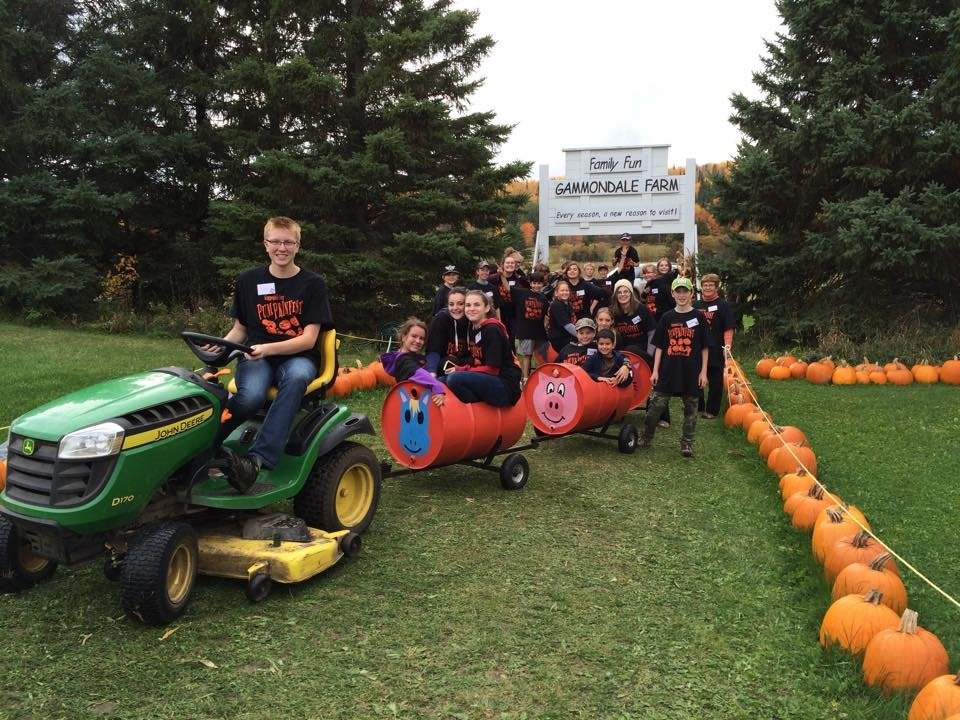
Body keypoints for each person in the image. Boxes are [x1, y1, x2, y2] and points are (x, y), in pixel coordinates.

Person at [212, 216, 333, 492]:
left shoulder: (313, 284)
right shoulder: (248, 280)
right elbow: (240, 329)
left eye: (288, 242)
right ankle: (206, 447)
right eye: (275, 241)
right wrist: (221, 346)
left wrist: (267, 348)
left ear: (298, 245)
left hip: (296, 354)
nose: (282, 247)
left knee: (297, 377)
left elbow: (308, 339)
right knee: (251, 396)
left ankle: (257, 460)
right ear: (265, 245)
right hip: (257, 356)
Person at [640, 276, 711, 458]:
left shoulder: (699, 317)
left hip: (691, 370)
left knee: (691, 409)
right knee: (656, 406)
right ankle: (646, 437)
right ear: (672, 293)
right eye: (678, 291)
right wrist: (655, 370)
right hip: (668, 370)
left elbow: (704, 347)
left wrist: (703, 372)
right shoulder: (667, 317)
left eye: (685, 291)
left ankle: (687, 443)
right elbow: (660, 347)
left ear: (691, 294)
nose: (681, 295)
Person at [441, 290, 522, 406]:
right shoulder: (474, 329)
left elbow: (492, 370)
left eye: (477, 305)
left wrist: (461, 369)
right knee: (440, 381)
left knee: (454, 379)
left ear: (487, 308)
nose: (471, 308)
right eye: (468, 305)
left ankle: (479, 412)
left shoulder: (492, 330)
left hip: (505, 386)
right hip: (487, 380)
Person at [694, 273, 735, 419]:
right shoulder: (697, 305)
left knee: (715, 380)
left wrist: (728, 346)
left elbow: (728, 328)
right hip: (697, 348)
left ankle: (711, 410)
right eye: (705, 285)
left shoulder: (722, 305)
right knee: (695, 377)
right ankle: (697, 406)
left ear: (716, 287)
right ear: (701, 287)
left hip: (716, 348)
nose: (708, 287)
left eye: (711, 285)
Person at [379, 317, 446, 405]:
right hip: (412, 402)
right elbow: (419, 373)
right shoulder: (403, 360)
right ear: (404, 337)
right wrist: (437, 387)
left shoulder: (416, 357)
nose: (418, 341)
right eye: (414, 336)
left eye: (421, 338)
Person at [509, 271, 550, 383]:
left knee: (542, 354)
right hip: (526, 330)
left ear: (543, 284)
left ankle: (544, 375)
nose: (537, 286)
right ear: (530, 283)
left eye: (539, 283)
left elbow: (547, 314)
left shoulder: (543, 298)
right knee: (527, 355)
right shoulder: (522, 293)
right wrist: (503, 275)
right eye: (534, 283)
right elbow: (507, 288)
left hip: (539, 331)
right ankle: (526, 378)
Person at [425, 287, 471, 376]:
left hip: (467, 364)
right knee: (450, 362)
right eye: (451, 304)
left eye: (460, 304)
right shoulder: (441, 319)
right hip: (445, 364)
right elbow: (433, 350)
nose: (455, 308)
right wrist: (432, 372)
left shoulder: (473, 321)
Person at [609, 279, 656, 358]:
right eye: (619, 292)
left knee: (631, 349)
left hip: (642, 351)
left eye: (626, 291)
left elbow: (652, 333)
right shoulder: (612, 312)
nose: (622, 294)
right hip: (621, 353)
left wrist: (649, 355)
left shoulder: (641, 309)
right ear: (615, 295)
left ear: (631, 294)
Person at [491, 254, 529, 343]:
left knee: (511, 338)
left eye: (512, 263)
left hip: (514, 314)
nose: (510, 265)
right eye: (507, 263)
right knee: (499, 337)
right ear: (502, 265)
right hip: (499, 313)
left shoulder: (520, 279)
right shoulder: (494, 279)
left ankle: (512, 356)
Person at [547, 280, 578, 352]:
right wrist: (581, 335)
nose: (565, 292)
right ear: (556, 293)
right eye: (562, 290)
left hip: (567, 337)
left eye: (567, 290)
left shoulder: (567, 303)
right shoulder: (557, 305)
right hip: (559, 340)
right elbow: (567, 325)